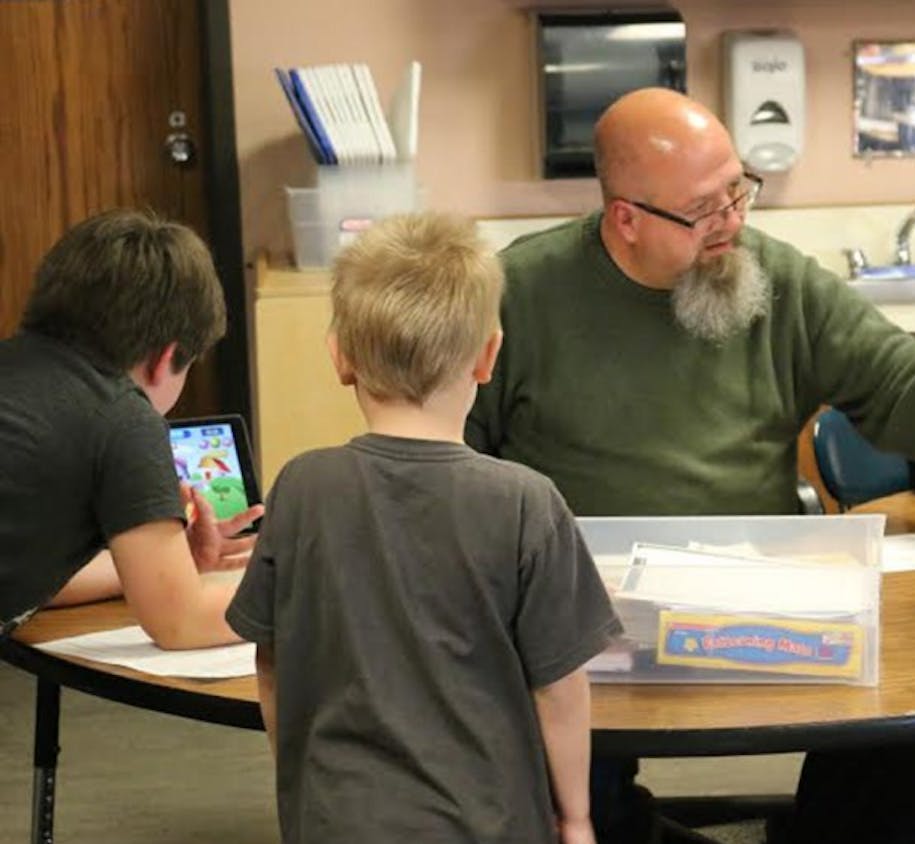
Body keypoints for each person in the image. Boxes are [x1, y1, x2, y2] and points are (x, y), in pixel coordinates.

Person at [464, 86, 915, 844]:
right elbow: (452, 459)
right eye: (705, 208)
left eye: (738, 190)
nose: (733, 220)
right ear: (624, 218)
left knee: (912, 692)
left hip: (752, 597)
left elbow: (891, 374)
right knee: (567, 796)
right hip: (590, 617)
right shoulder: (521, 294)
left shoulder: (772, 279)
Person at [227, 213, 622, 844]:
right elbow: (560, 690)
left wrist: (301, 784)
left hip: (335, 817)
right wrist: (575, 816)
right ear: (489, 355)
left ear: (340, 357)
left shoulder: (300, 489)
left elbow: (271, 661)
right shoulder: (525, 502)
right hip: (487, 822)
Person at [0, 209, 260, 648]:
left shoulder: (16, 372)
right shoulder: (122, 415)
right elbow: (182, 624)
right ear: (166, 358)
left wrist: (163, 568)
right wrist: (313, 593)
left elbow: (28, 572)